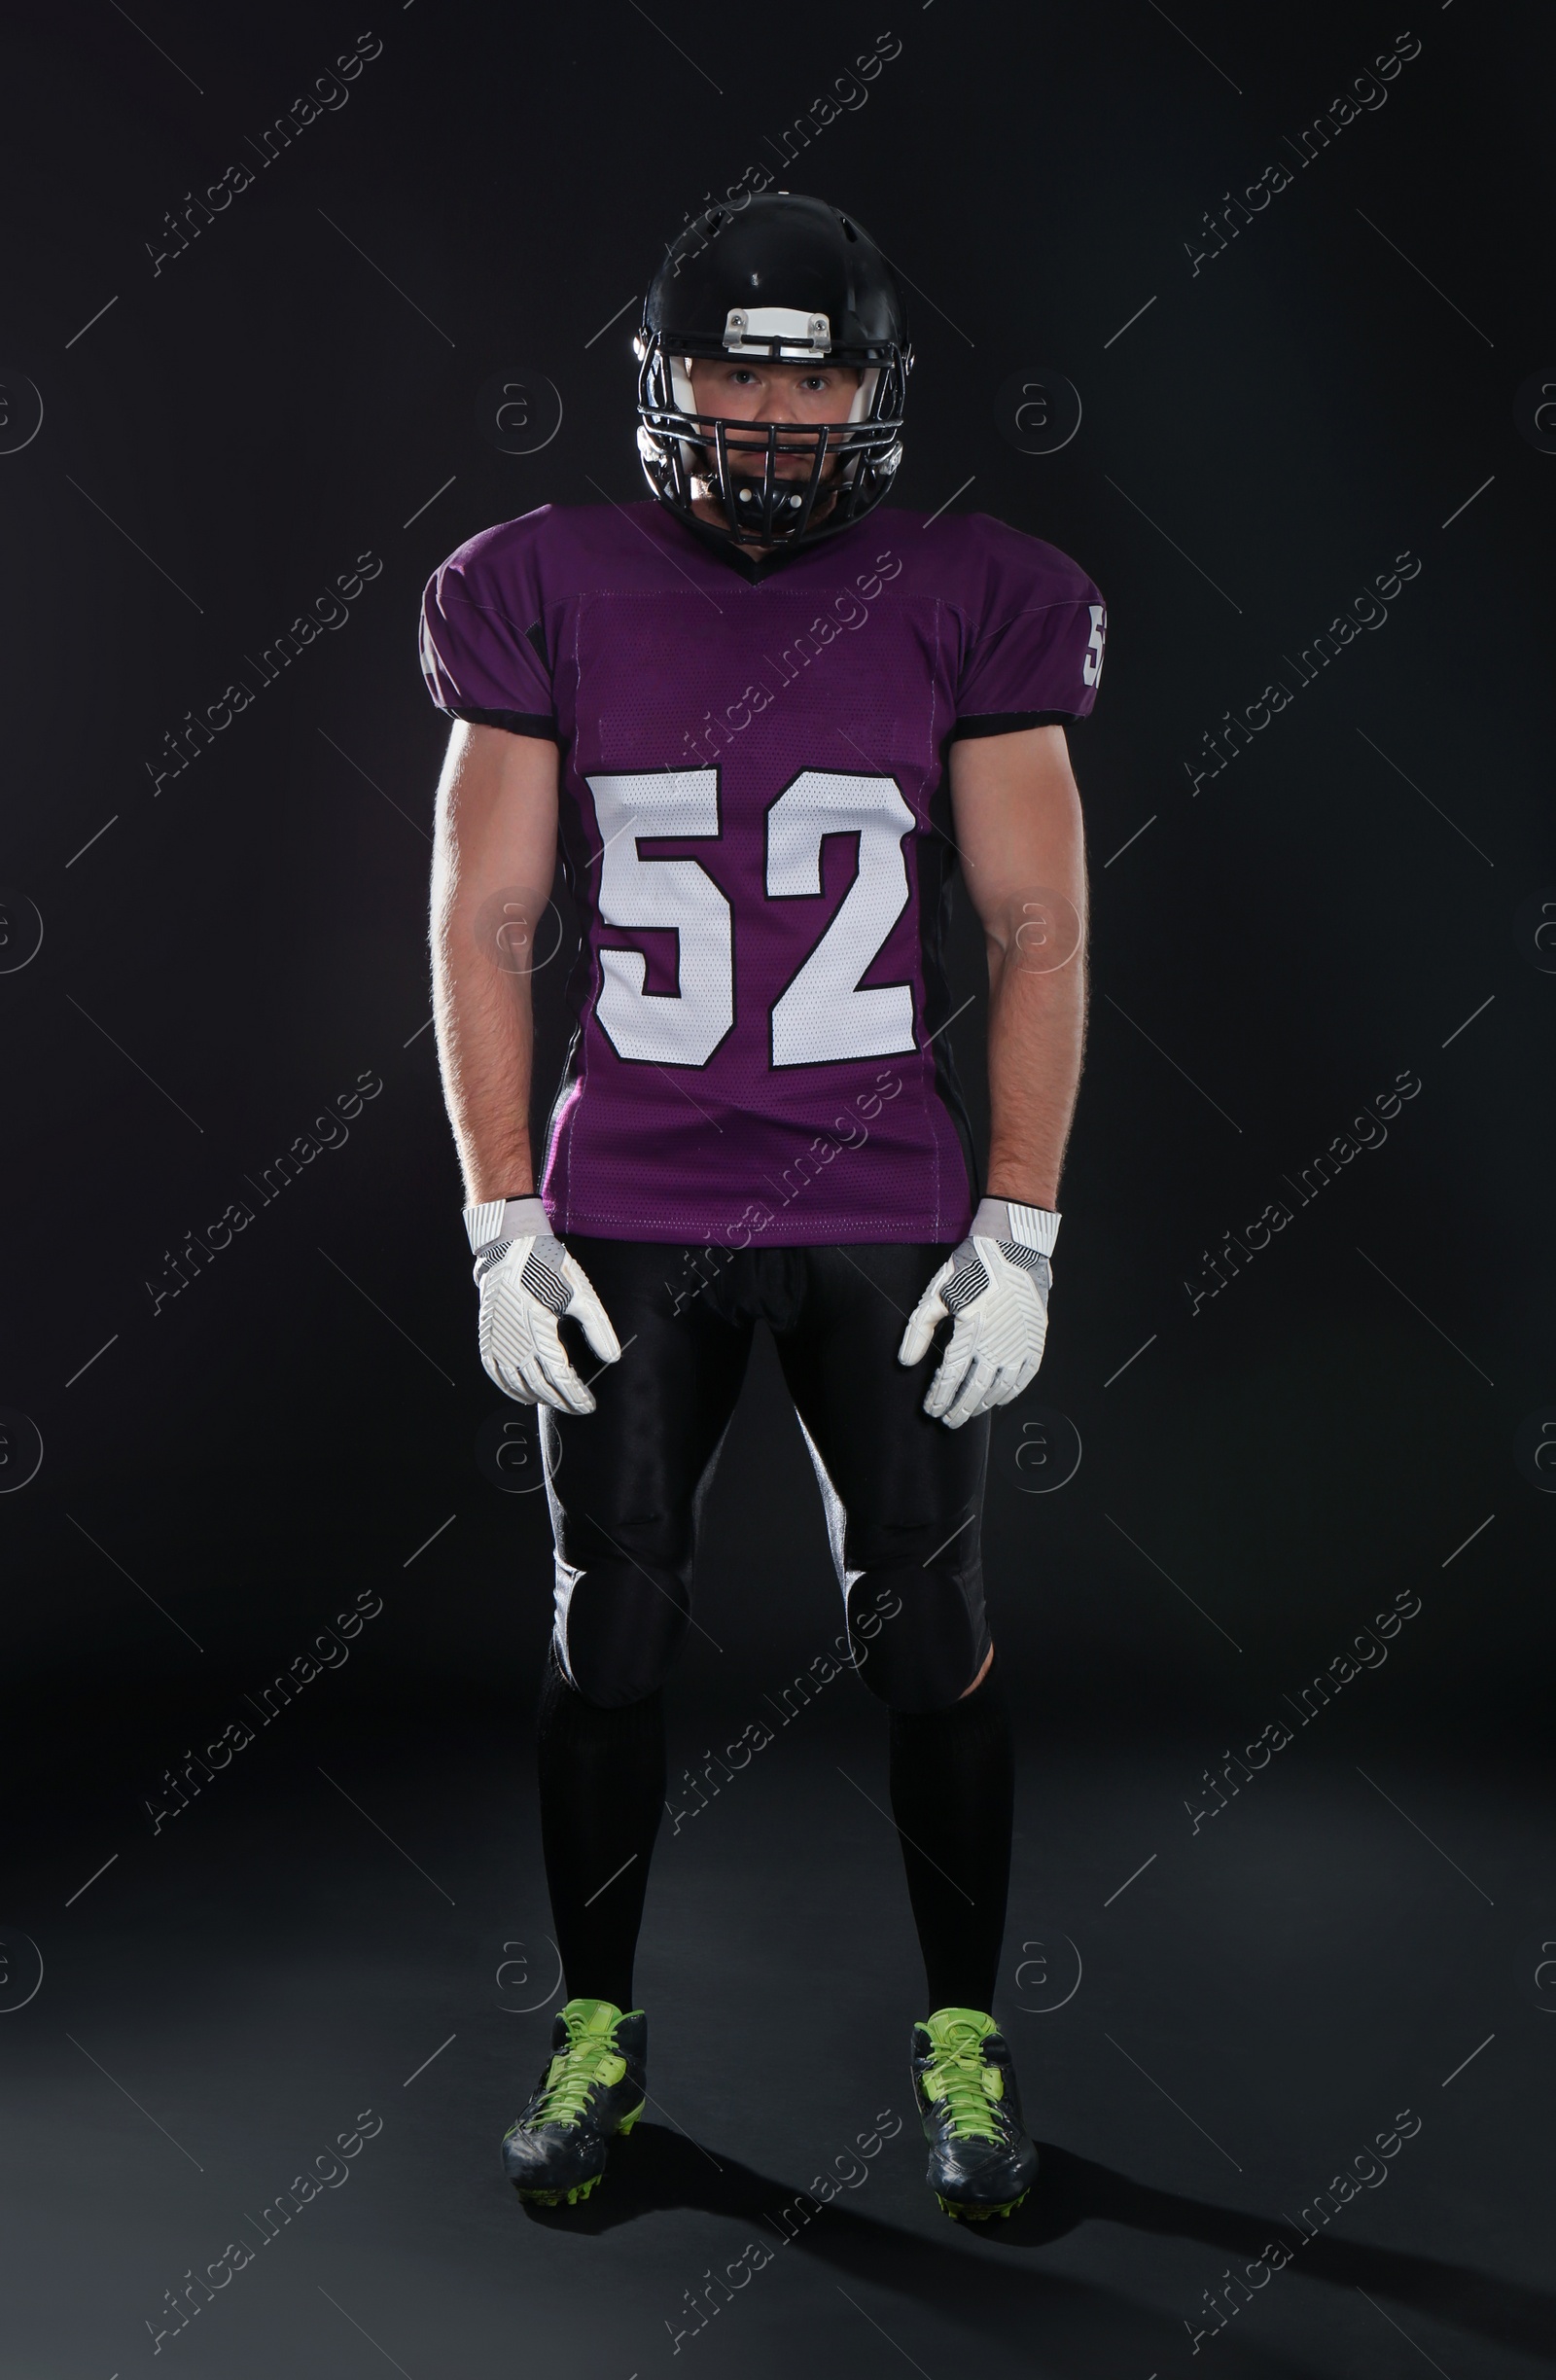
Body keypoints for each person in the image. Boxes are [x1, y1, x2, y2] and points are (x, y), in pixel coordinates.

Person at [419, 191, 1104, 2220]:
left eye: (813, 369)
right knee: (607, 1619)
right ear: (661, 375)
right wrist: (491, 1213)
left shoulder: (972, 588)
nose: (773, 407)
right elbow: (485, 913)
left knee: (926, 1624)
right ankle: (596, 2034)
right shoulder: (535, 584)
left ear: (872, 389)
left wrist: (1022, 1223)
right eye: (736, 362)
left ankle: (965, 2042)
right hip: (626, 1188)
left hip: (875, 1190)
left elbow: (1035, 924)